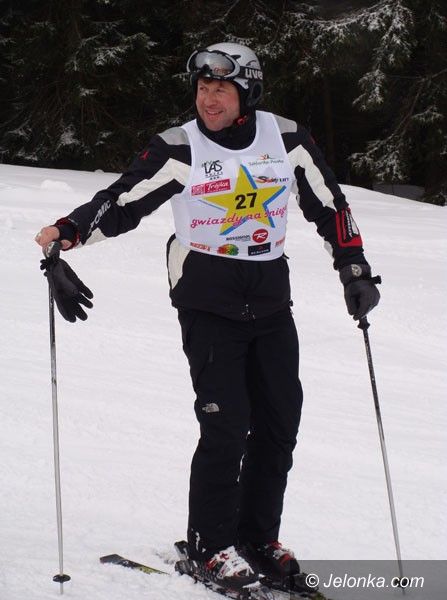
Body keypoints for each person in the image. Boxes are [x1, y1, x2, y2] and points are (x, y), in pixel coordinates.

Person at [35, 42, 380, 592]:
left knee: (279, 422)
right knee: (226, 425)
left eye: (221, 88)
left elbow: (330, 203)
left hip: (270, 298)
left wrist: (354, 267)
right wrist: (67, 233)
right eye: (202, 88)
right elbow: (122, 200)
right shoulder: (180, 146)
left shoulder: (286, 139)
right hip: (206, 299)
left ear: (247, 93)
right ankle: (210, 544)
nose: (209, 99)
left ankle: (257, 538)